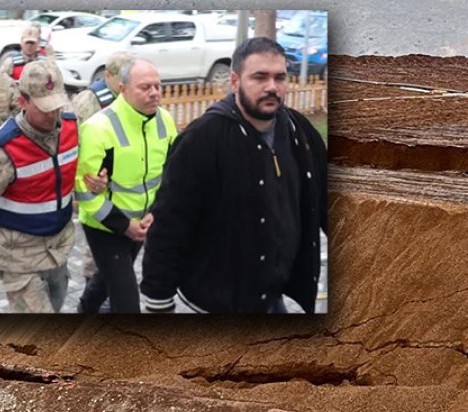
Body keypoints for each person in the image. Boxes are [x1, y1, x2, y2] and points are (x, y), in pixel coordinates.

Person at [141, 37, 326, 314]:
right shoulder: (203, 138)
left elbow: (326, 199)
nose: (272, 87)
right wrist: (158, 302)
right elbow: (169, 224)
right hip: (217, 302)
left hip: (273, 296)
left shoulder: (299, 132)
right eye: (259, 77)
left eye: (279, 77)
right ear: (235, 81)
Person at [0, 62, 79, 313]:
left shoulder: (72, 127)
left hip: (57, 246)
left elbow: (73, 171)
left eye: (57, 105)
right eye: (44, 108)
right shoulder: (0, 150)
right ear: (23, 102)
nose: (53, 115)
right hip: (16, 254)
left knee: (56, 302)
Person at [75, 59, 177, 313]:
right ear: (123, 89)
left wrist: (155, 213)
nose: (154, 93)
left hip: (142, 222)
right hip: (104, 226)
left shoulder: (165, 120)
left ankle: (85, 310)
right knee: (126, 299)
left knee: (107, 278)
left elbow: (172, 174)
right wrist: (124, 225)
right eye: (145, 87)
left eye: (157, 86)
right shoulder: (98, 128)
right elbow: (84, 191)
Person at [70, 51, 132, 313]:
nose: (123, 84)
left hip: (121, 184)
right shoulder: (89, 100)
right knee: (96, 242)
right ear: (107, 75)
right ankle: (93, 296)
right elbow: (75, 143)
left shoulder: (129, 97)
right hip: (93, 183)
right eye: (119, 78)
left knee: (120, 242)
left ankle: (104, 290)